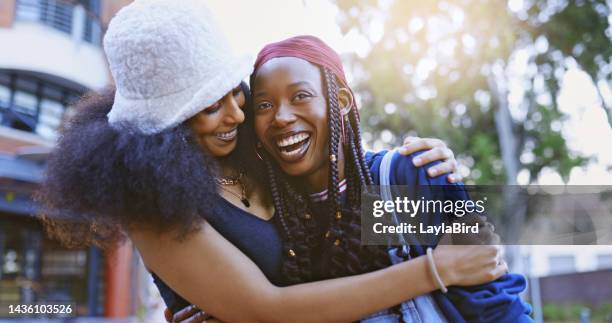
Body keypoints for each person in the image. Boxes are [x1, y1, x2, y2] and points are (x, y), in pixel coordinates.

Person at [37, 1, 507, 322]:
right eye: (208, 107)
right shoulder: (154, 205)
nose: (236, 114)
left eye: (234, 91)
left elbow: (347, 190)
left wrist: (424, 174)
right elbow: (267, 310)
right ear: (167, 124)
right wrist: (435, 271)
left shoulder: (258, 151)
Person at [246, 35, 532, 322]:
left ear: (341, 101)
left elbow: (492, 301)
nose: (281, 117)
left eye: (300, 96)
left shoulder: (403, 179)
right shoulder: (266, 214)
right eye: (264, 106)